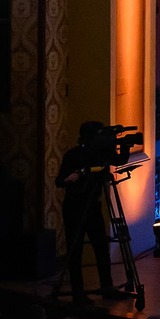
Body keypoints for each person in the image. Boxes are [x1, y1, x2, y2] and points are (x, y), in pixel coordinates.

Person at [56, 122, 120, 302]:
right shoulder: (73, 155)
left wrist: (122, 147)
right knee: (75, 250)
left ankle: (107, 286)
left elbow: (119, 160)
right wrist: (73, 178)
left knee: (101, 247)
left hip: (92, 206)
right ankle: (78, 292)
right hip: (74, 208)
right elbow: (59, 181)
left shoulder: (101, 154)